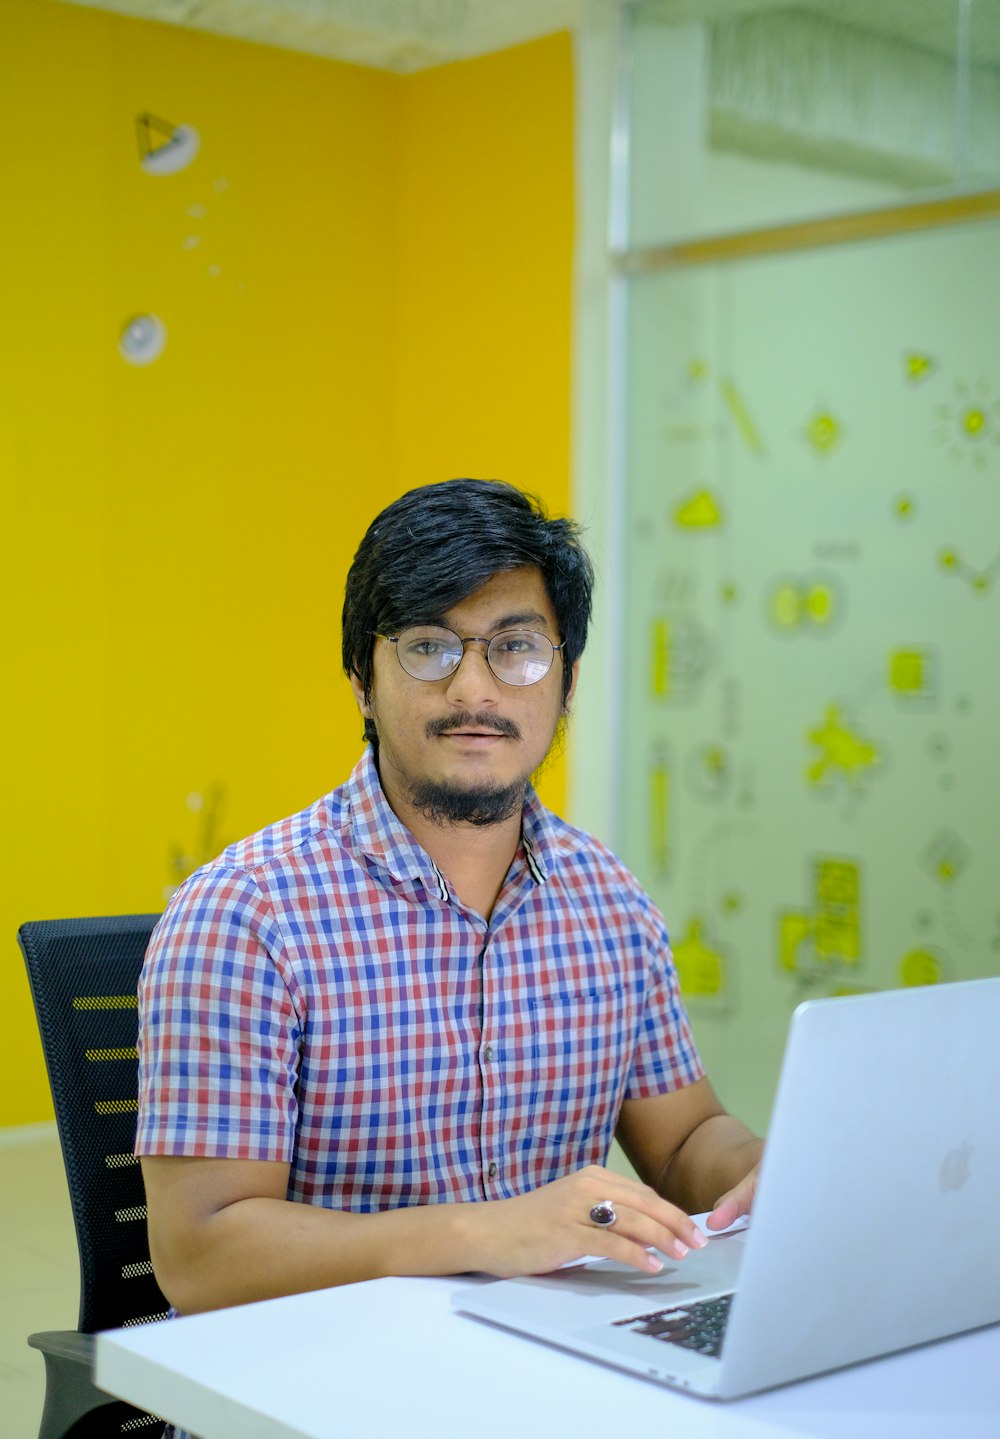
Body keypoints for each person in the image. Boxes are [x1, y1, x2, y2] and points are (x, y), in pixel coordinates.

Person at [136, 478, 762, 1321]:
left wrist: (766, 1172)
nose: (475, 690)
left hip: (544, 1354)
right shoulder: (246, 914)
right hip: (316, 1374)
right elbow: (201, 1256)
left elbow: (685, 1139)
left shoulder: (608, 898)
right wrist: (481, 1233)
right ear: (363, 677)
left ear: (566, 681)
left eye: (517, 648)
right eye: (430, 647)